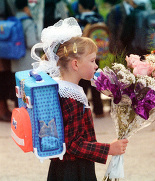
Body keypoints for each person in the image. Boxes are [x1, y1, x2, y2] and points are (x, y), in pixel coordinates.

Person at [31, 17, 129, 181]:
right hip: (74, 169)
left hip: (62, 166)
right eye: (92, 61)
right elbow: (73, 144)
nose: (96, 65)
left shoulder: (61, 87)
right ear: (75, 64)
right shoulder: (71, 97)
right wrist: (108, 149)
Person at [76, 0, 105, 117]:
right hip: (97, 55)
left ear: (80, 6)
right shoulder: (99, 19)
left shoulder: (78, 20)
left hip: (83, 56)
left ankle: (84, 111)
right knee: (96, 82)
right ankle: (99, 110)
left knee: (82, 84)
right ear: (94, 6)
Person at [10, 0, 40, 107]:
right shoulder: (28, 22)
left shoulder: (12, 20)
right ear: (26, 9)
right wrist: (43, 44)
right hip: (28, 63)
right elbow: (31, 42)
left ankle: (19, 113)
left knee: (18, 90)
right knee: (28, 91)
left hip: (15, 62)